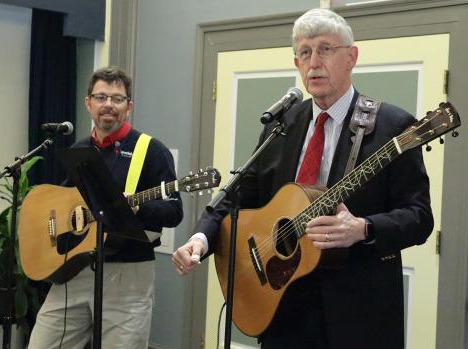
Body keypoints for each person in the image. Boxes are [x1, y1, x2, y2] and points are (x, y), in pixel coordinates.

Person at [172, 8, 433, 349]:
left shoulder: (393, 126)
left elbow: (419, 217)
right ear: (296, 64)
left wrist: (363, 228)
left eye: (325, 49)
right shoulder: (281, 125)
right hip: (283, 307)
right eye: (305, 53)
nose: (314, 62)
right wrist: (200, 241)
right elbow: (238, 195)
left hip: (356, 315)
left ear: (351, 57)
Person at [28, 66, 183, 349]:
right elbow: (65, 201)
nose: (108, 105)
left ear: (129, 107)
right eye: (100, 97)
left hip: (128, 276)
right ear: (89, 103)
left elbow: (174, 212)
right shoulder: (80, 149)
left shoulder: (151, 150)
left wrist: (137, 210)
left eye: (117, 98)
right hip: (74, 271)